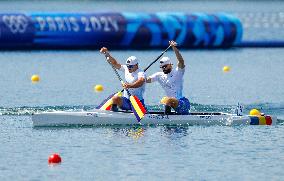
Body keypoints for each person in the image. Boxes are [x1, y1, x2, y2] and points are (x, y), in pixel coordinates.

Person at [146, 40, 190, 114]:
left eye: (165, 66)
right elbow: (146, 80)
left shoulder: (178, 72)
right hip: (171, 103)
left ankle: (166, 119)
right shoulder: (159, 75)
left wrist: (174, 48)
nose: (163, 68)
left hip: (183, 103)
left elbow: (181, 61)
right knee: (165, 100)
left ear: (170, 64)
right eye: (162, 67)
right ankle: (167, 115)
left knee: (167, 100)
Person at [100, 47, 146, 111]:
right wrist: (107, 53)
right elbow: (114, 63)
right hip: (126, 100)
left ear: (136, 65)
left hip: (137, 102)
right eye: (127, 66)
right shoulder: (126, 68)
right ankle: (113, 115)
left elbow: (141, 81)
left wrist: (129, 85)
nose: (128, 68)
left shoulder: (141, 73)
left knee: (136, 107)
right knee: (115, 98)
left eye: (130, 66)